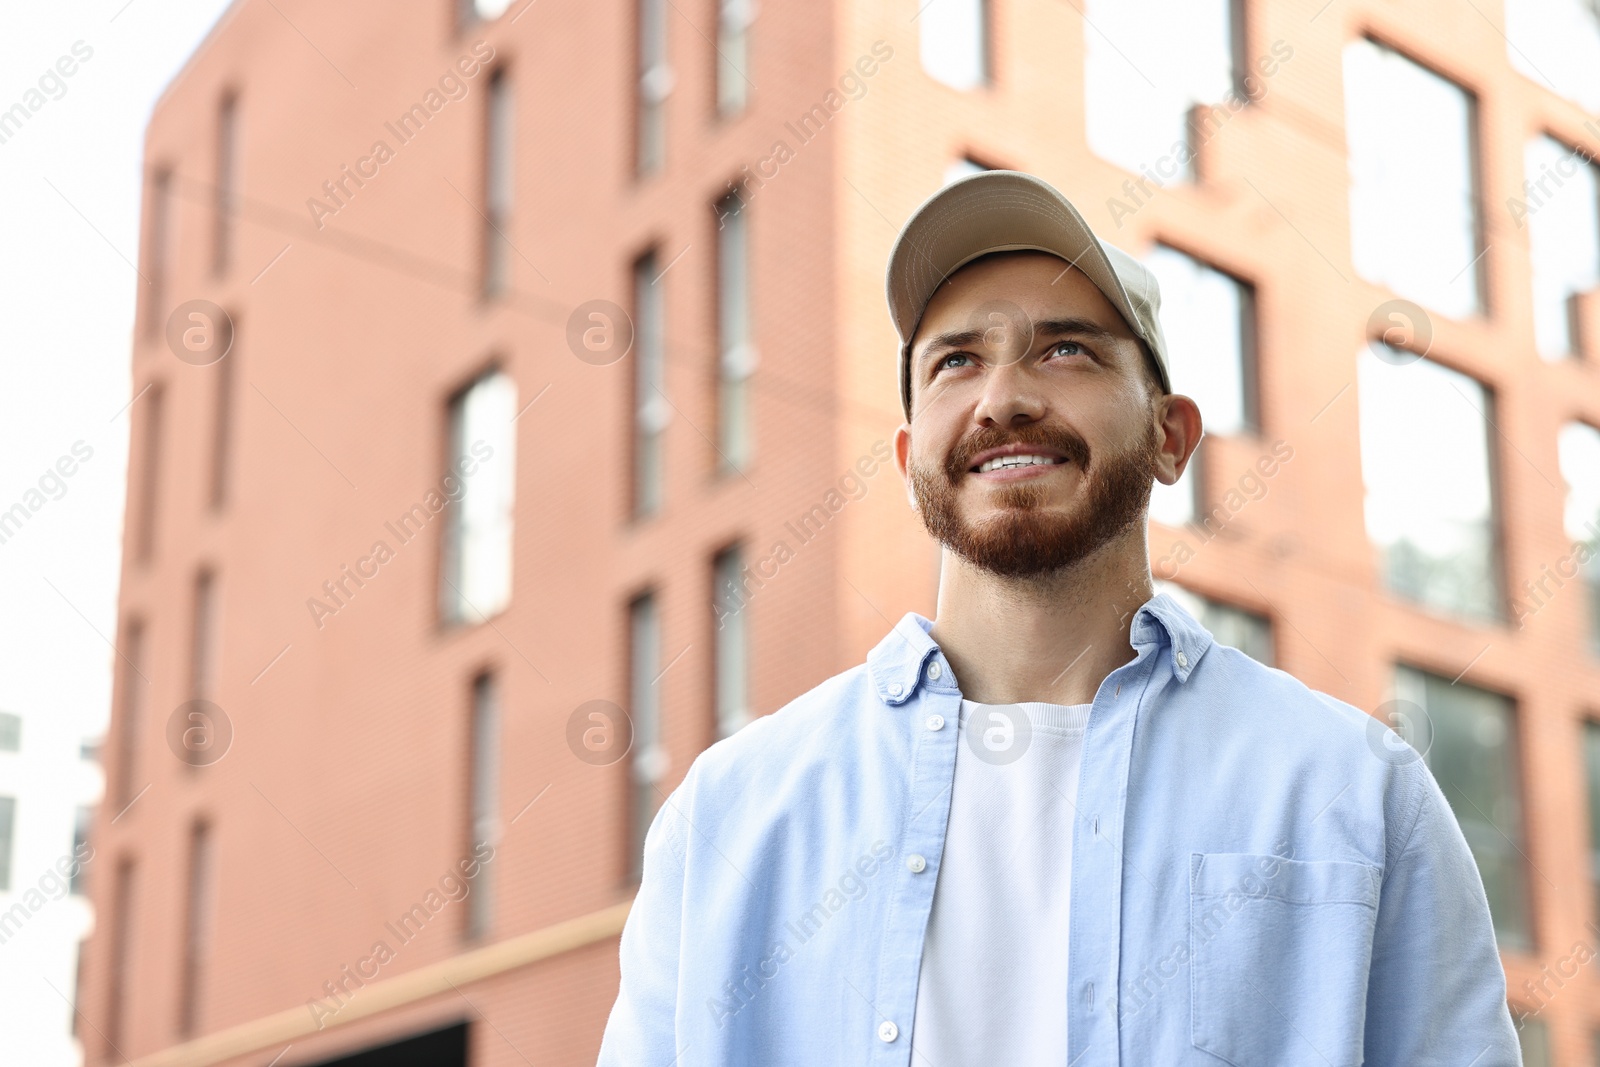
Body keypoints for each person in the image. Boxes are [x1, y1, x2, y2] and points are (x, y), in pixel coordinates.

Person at [596, 170, 1520, 1065]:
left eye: (1066, 349)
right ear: (912, 452)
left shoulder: (1354, 790)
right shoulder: (730, 815)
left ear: (1170, 436)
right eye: (957, 360)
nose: (1004, 399)